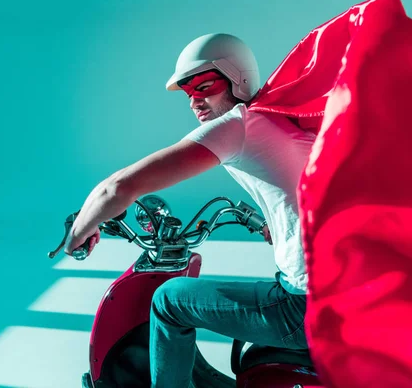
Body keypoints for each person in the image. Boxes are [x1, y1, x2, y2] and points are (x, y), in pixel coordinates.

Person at [63, 33, 315, 388]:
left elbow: (119, 188)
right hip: (334, 295)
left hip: (303, 307)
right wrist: (276, 225)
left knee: (169, 299)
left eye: (204, 85)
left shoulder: (239, 125)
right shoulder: (282, 119)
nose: (195, 100)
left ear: (237, 79)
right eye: (187, 92)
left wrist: (79, 232)